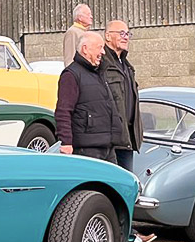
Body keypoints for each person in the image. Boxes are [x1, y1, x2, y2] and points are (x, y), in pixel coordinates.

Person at [55, 31, 122, 163]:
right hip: (86, 149)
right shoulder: (71, 75)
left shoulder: (101, 73)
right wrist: (66, 143)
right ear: (85, 49)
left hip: (107, 147)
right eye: (100, 47)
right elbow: (63, 111)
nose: (103, 52)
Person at [100, 20, 142, 171]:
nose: (126, 37)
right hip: (109, 140)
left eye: (128, 34)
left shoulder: (126, 66)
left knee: (126, 185)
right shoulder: (101, 62)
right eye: (121, 33)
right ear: (108, 36)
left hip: (127, 138)